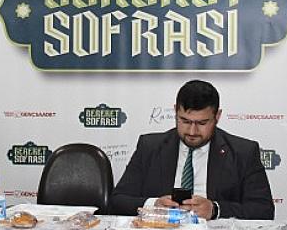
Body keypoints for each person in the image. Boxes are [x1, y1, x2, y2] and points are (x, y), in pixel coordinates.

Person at [111, 80, 274, 220]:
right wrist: (154, 205)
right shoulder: (149, 147)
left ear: (217, 116)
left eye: (202, 123)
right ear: (175, 111)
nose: (192, 131)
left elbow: (264, 210)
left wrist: (215, 210)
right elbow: (116, 202)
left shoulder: (243, 152)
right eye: (185, 121)